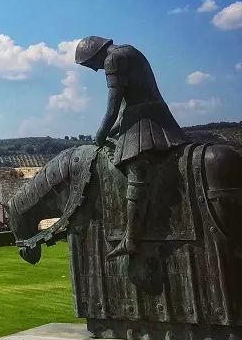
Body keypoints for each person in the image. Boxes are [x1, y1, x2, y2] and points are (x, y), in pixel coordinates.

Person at [76, 36, 188, 258]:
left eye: (90, 65)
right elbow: (128, 105)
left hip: (147, 120)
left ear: (95, 54)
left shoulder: (113, 59)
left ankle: (131, 238)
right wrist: (113, 130)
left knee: (136, 167)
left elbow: (114, 106)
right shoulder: (128, 51)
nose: (95, 70)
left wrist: (100, 132)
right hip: (142, 115)